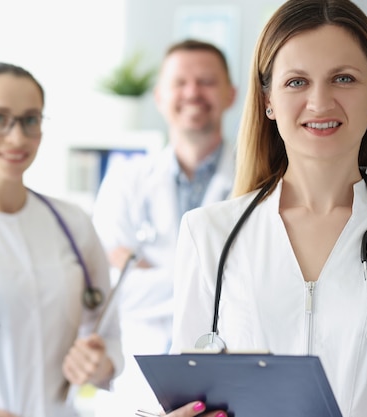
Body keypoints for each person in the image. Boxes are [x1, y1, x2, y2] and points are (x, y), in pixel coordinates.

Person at [159, 0, 367, 416]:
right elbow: (187, 398)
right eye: (296, 82)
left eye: (343, 78)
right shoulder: (208, 234)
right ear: (268, 100)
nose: (320, 102)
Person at [0, 62, 123, 417]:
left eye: (30, 119)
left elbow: (108, 332)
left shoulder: (73, 223)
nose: (17, 137)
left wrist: (101, 363)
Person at [91, 39, 236, 413]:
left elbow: (256, 290)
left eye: (206, 81)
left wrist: (143, 268)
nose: (192, 92)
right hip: (139, 383)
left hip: (228, 377)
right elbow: (111, 292)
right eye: (180, 82)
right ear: (159, 96)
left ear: (230, 94)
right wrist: (214, 274)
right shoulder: (125, 181)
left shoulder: (257, 180)